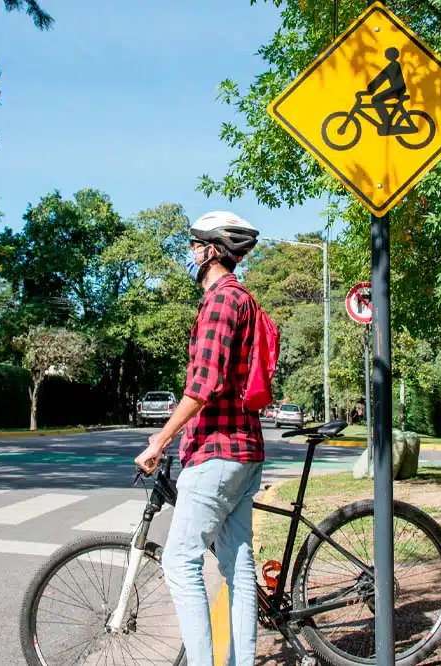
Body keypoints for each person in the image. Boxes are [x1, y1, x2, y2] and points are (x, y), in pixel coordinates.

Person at [135, 211, 264, 666]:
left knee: (179, 563)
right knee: (238, 567)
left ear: (212, 250)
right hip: (244, 450)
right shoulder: (243, 299)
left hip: (217, 451)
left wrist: (160, 440)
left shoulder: (220, 302)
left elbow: (203, 384)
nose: (190, 254)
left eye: (195, 245)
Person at [366, 46, 407, 135]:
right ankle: (387, 122)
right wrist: (371, 89)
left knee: (376, 99)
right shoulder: (392, 65)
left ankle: (387, 124)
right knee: (376, 99)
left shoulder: (393, 65)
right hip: (397, 88)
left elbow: (381, 78)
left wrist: (371, 89)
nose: (385, 55)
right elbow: (381, 78)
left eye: (387, 53)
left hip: (397, 89)